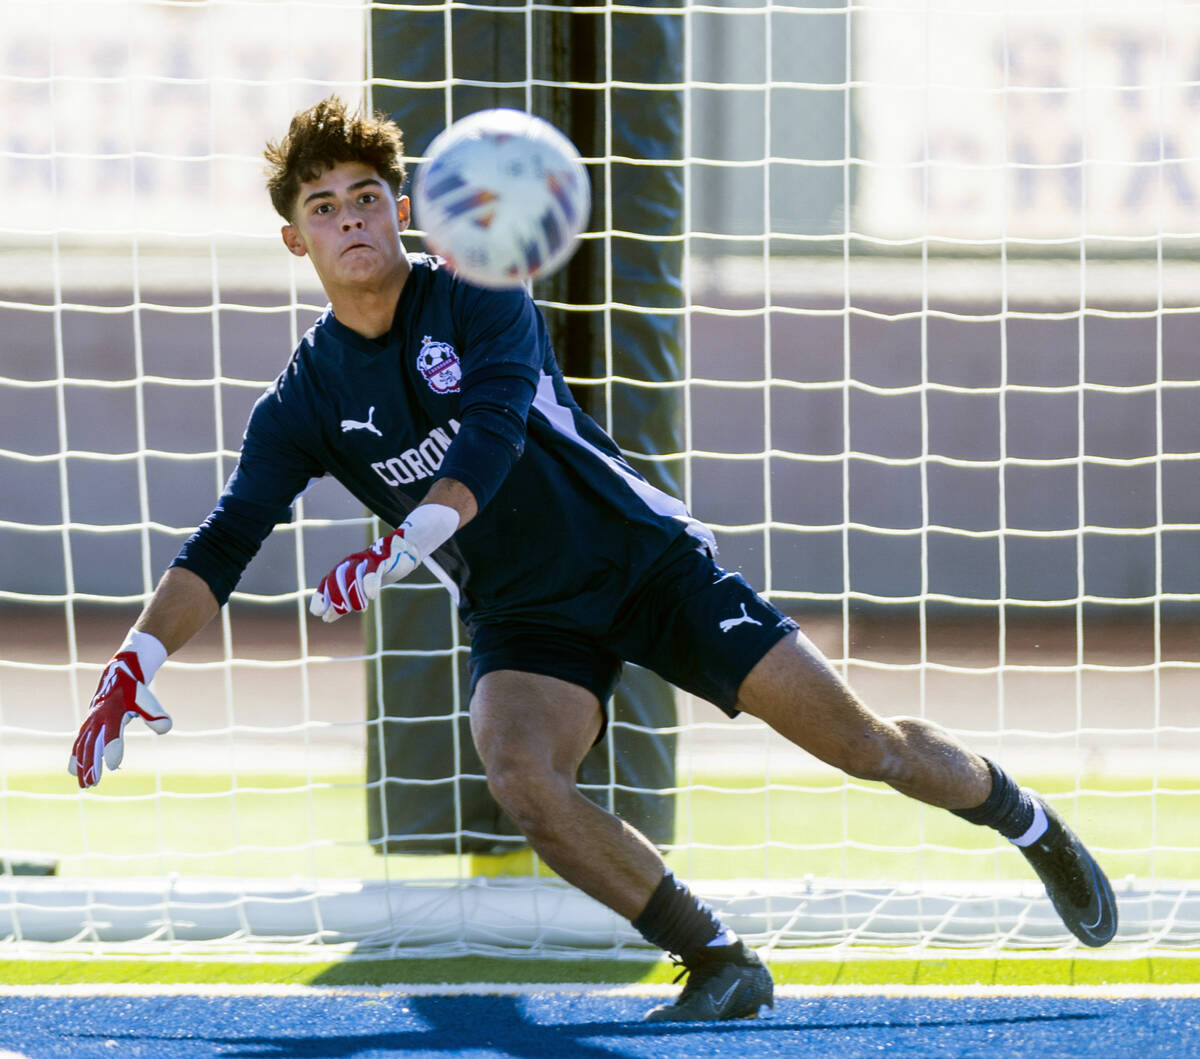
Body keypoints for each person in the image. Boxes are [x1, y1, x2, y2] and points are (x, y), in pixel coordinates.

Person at [68, 96, 1117, 1021]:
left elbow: (491, 436)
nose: (350, 218)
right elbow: (225, 539)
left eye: (367, 195)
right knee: (521, 771)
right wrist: (136, 663)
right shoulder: (303, 398)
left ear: (404, 208)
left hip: (645, 564)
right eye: (323, 206)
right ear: (298, 241)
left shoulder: (478, 292)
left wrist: (401, 545)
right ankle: (716, 957)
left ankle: (1025, 820)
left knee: (862, 747)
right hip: (527, 614)